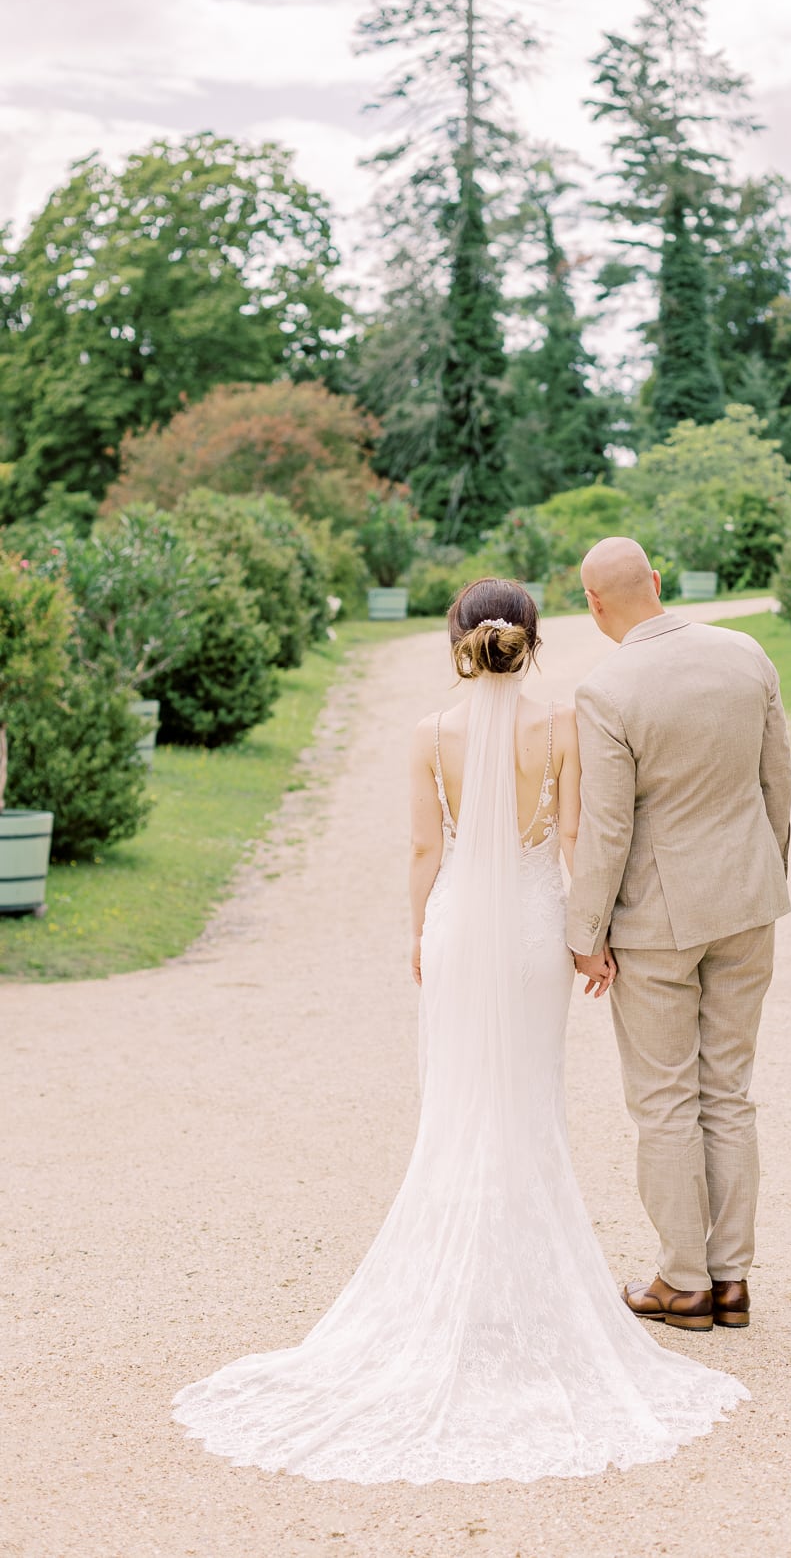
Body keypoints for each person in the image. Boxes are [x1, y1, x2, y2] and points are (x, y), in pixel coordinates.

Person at [173, 578, 746, 1485]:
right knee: (529, 1101)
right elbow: (574, 843)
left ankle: (462, 1281)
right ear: (531, 642)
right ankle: (530, 1285)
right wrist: (588, 939)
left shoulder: (427, 734)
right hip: (529, 932)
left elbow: (420, 850)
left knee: (457, 1103)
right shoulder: (559, 723)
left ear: (460, 642)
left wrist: (417, 934)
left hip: (457, 929)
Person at [567, 540, 791, 1334]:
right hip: (748, 900)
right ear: (656, 583)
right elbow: (777, 778)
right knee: (728, 1091)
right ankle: (731, 1280)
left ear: (594, 604)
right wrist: (769, 872)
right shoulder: (745, 653)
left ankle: (683, 1280)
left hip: (658, 921)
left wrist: (585, 930)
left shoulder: (604, 689)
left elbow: (605, 827)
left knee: (666, 1100)